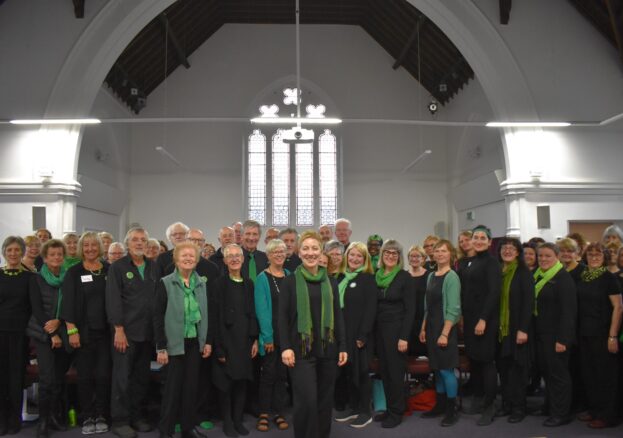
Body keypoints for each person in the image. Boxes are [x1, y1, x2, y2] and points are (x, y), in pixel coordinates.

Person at [278, 230, 347, 438]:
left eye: (314, 248)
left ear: (321, 252)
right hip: (300, 350)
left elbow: (337, 315)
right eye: (306, 248)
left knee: (325, 401)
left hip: (328, 349)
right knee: (306, 401)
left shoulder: (331, 282)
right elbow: (281, 317)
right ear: (299, 252)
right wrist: (285, 347)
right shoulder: (290, 282)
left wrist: (343, 346)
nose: (310, 253)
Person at [153, 241, 212, 438]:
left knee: (190, 389)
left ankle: (188, 428)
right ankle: (166, 430)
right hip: (173, 345)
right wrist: (161, 347)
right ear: (176, 260)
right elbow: (157, 317)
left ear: (196, 260)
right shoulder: (166, 283)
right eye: (184, 255)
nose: (188, 259)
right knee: (172, 391)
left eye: (192, 256)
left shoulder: (201, 283)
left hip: (194, 343)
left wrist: (207, 342)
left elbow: (206, 314)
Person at [106, 227, 157, 438]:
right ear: (127, 244)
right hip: (125, 334)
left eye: (142, 240)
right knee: (122, 379)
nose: (139, 243)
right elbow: (113, 300)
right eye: (134, 240)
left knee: (141, 378)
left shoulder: (154, 266)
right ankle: (120, 420)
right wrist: (118, 329)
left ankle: (137, 417)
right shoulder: (118, 267)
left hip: (147, 333)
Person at [61, 232, 110, 435]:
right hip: (83, 333)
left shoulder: (109, 270)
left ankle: (101, 414)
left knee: (103, 376)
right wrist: (72, 331)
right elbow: (68, 304)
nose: (90, 249)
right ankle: (88, 415)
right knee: (85, 377)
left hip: (106, 333)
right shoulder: (74, 272)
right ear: (82, 248)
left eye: (94, 245)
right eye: (86, 245)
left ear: (99, 247)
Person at [212, 244, 258, 437]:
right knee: (226, 384)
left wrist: (255, 340)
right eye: (229, 256)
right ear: (224, 260)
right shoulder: (218, 283)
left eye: (237, 255)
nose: (234, 259)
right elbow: (215, 317)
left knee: (242, 382)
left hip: (245, 340)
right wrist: (219, 348)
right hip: (226, 340)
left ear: (243, 258)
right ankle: (228, 421)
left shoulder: (249, 283)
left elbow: (253, 314)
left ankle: (238, 420)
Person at [28, 239, 72, 438]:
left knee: (58, 379)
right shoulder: (36, 279)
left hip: (63, 331)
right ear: (45, 258)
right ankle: (43, 422)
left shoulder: (69, 277)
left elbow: (72, 305)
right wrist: (52, 331)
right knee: (46, 379)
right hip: (42, 333)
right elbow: (36, 308)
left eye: (59, 254)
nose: (56, 258)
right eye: (52, 255)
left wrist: (60, 322)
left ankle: (54, 416)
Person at [575, 243, 622, 428]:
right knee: (589, 374)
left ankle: (607, 415)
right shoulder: (583, 276)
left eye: (598, 255)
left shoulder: (609, 278)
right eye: (591, 254)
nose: (594, 257)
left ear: (604, 257)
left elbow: (618, 307)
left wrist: (612, 336)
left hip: (603, 334)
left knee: (605, 376)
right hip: (584, 333)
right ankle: (595, 410)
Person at [460, 225, 501, 426]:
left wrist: (483, 318)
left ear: (489, 241)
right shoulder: (471, 262)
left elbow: (494, 293)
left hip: (485, 320)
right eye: (475, 237)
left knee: (486, 361)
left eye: (482, 238)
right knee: (474, 359)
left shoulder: (492, 263)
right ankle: (478, 398)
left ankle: (489, 405)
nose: (478, 240)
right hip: (470, 319)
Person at [533, 242, 577, 427]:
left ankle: (561, 414)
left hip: (556, 337)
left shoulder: (563, 278)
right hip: (542, 334)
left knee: (558, 376)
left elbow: (569, 313)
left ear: (556, 257)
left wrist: (562, 340)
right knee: (547, 373)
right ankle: (549, 406)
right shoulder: (538, 276)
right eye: (540, 256)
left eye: (548, 256)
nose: (543, 259)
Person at [334, 242, 377, 428]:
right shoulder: (340, 277)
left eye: (359, 256)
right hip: (344, 334)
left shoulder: (367, 278)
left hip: (360, 335)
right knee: (349, 372)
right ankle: (354, 409)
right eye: (352, 255)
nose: (354, 259)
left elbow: (371, 309)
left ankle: (365, 412)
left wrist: (363, 334)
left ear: (365, 259)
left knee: (362, 373)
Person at [373, 239, 415, 428]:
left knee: (395, 372)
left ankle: (397, 412)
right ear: (382, 255)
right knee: (385, 372)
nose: (390, 256)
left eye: (394, 253)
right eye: (387, 253)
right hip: (379, 331)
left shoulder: (404, 277)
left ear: (399, 257)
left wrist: (404, 337)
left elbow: (411, 310)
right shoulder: (376, 275)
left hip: (397, 331)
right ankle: (390, 408)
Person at [419, 239, 461, 427]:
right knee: (436, 369)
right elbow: (427, 307)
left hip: (446, 329)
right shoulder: (431, 276)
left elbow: (454, 309)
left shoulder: (452, 277)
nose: (440, 254)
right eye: (437, 251)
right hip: (432, 327)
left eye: (444, 251)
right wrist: (423, 328)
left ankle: (451, 410)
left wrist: (444, 334)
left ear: (451, 254)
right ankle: (440, 405)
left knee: (446, 370)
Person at [495, 237, 534, 423]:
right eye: (504, 248)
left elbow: (528, 303)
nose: (507, 251)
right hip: (501, 330)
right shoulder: (498, 272)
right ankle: (507, 404)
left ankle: (519, 408)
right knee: (503, 369)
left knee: (518, 370)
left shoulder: (522, 273)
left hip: (517, 328)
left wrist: (523, 329)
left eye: (511, 248)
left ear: (518, 252)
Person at [254, 239, 290, 432]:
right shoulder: (262, 278)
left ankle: (279, 412)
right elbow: (262, 310)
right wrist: (267, 337)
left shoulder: (290, 275)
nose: (279, 254)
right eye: (274, 252)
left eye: (282, 251)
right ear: (268, 255)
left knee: (282, 376)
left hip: (287, 337)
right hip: (271, 336)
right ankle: (264, 413)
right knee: (268, 375)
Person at [0, 236, 33, 435]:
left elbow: (32, 307)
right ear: (4, 253)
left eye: (17, 250)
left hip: (20, 335)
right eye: (9, 250)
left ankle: (15, 419)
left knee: (16, 378)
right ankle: (2, 419)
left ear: (22, 252)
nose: (13, 253)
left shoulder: (30, 277)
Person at [407, 245, 428, 356]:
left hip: (424, 322)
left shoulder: (429, 276)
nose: (414, 259)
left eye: (417, 256)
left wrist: (424, 327)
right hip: (408, 322)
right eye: (411, 256)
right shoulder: (404, 276)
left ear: (423, 259)